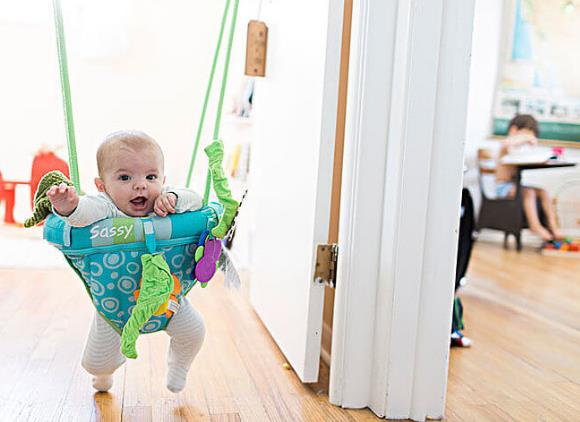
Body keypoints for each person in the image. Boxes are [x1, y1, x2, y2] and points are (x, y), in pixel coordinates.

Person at [47, 130, 205, 393]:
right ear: (102, 186)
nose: (141, 185)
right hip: (115, 306)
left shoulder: (165, 200)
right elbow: (83, 215)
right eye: (125, 177)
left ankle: (179, 366)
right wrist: (69, 206)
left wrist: (174, 199)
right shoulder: (106, 206)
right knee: (97, 362)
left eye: (151, 177)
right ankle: (103, 375)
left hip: (168, 298)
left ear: (163, 180)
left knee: (194, 332)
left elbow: (196, 200)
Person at [495, 114, 563, 241]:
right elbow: (507, 142)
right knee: (529, 192)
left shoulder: (517, 148)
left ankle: (554, 227)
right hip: (503, 187)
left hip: (516, 186)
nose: (528, 138)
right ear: (513, 130)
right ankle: (535, 226)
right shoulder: (506, 146)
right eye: (526, 133)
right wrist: (526, 137)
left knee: (543, 192)